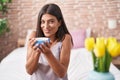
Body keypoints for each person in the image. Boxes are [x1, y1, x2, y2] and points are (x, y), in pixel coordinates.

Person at [25, 3, 73, 80]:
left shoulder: (65, 38)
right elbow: (29, 71)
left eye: (51, 21)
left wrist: (48, 53)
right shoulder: (34, 36)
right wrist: (37, 51)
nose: (46, 26)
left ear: (59, 22)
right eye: (43, 22)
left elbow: (62, 73)